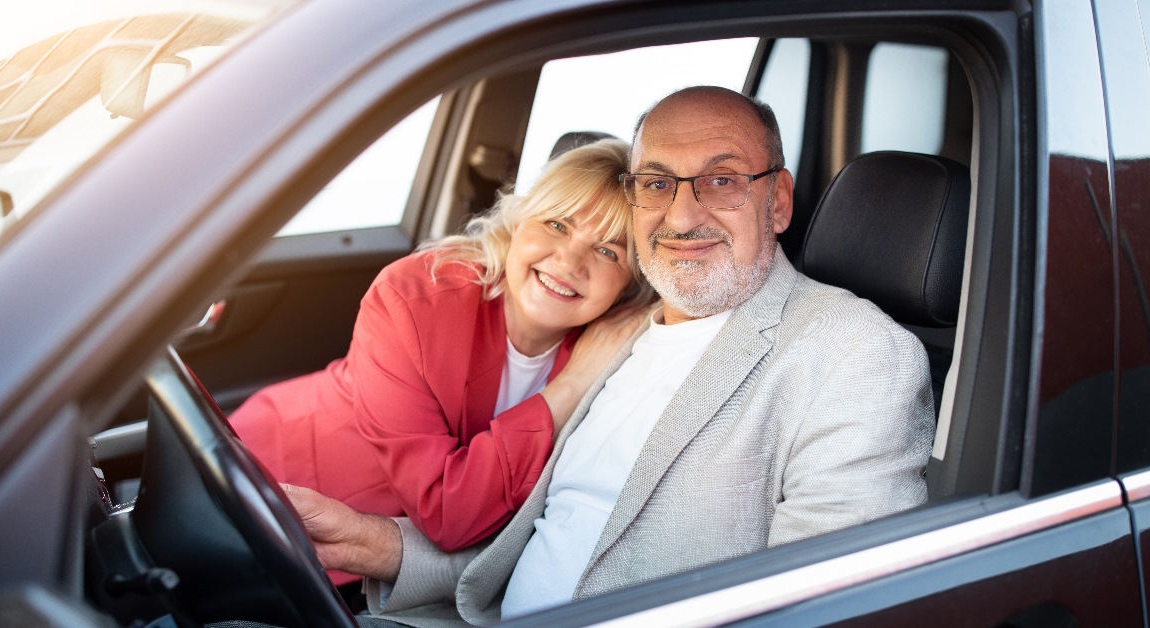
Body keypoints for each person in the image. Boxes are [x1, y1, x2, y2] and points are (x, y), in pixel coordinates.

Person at [283, 86, 936, 625]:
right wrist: (381, 545)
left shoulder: (855, 353)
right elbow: (559, 533)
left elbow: (825, 609)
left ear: (780, 200)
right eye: (657, 182)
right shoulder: (615, 331)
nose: (682, 214)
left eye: (721, 180)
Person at [229, 138, 658, 573]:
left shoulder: (626, 346)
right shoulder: (416, 297)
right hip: (270, 484)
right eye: (557, 225)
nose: (569, 260)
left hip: (381, 560)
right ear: (519, 222)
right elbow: (446, 513)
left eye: (608, 250)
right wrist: (569, 387)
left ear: (629, 283)